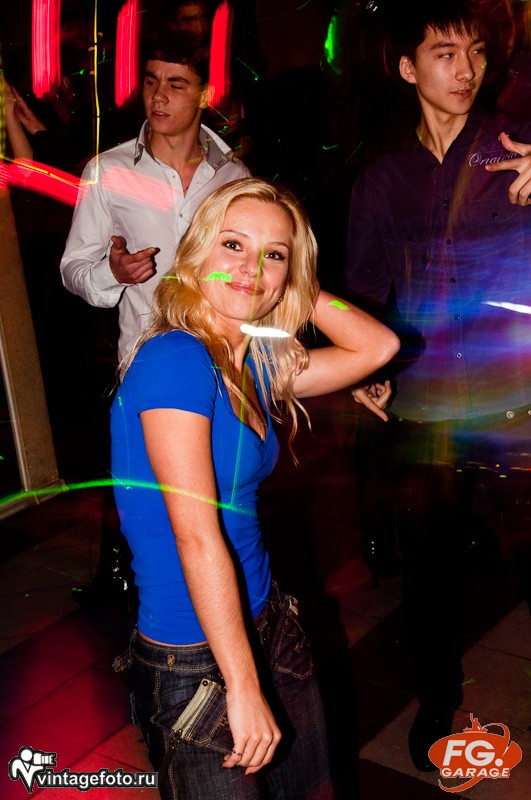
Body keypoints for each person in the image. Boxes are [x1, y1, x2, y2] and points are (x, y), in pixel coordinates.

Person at [110, 176, 399, 799]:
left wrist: (290, 283)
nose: (250, 268)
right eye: (233, 245)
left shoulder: (253, 362)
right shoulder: (176, 359)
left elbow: (378, 346)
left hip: (267, 620)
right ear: (197, 254)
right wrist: (242, 684)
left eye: (274, 254)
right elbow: (196, 537)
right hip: (196, 656)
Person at [345, 0, 531, 773]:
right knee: (427, 572)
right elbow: (363, 289)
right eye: (445, 53)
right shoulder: (382, 176)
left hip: (515, 400)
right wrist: (366, 369)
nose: (466, 70)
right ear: (406, 67)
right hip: (425, 403)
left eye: (475, 53)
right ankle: (435, 700)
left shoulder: (517, 150)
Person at [60, 33, 250, 609]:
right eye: (150, 81)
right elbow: (73, 268)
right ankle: (146, 614)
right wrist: (114, 271)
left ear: (206, 93)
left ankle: (212, 612)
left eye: (176, 84)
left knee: (213, 506)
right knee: (150, 512)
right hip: (144, 364)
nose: (159, 96)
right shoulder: (109, 171)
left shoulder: (235, 177)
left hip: (220, 365)